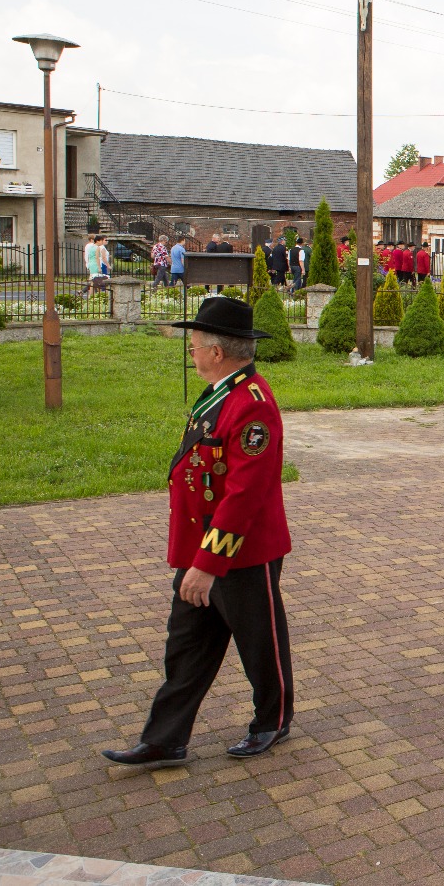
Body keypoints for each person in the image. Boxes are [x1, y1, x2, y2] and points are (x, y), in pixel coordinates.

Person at [100, 297, 293, 767]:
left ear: (217, 353)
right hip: (201, 547)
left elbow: (244, 495)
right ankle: (165, 739)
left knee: (259, 644)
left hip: (241, 554)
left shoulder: (252, 405)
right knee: (185, 646)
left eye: (194, 346)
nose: (191, 352)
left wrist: (207, 565)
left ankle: (273, 720)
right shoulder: (220, 392)